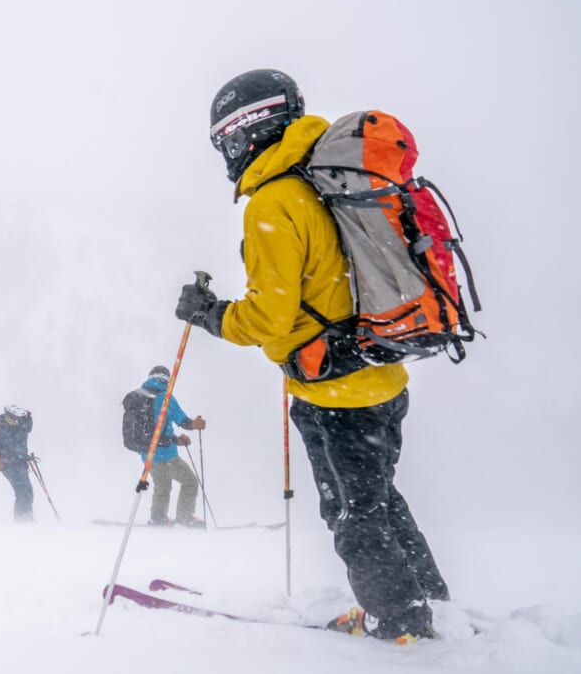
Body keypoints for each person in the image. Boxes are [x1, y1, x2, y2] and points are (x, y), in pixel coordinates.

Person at [174, 69, 448, 642]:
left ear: (248, 131)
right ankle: (426, 600)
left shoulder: (274, 201)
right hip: (380, 372)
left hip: (334, 394)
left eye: (225, 139)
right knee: (378, 498)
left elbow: (268, 317)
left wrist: (209, 314)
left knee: (353, 514)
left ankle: (401, 622)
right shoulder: (323, 181)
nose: (225, 152)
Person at [136, 366, 207, 528]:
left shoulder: (141, 396)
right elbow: (180, 419)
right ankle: (185, 517)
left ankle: (158, 517)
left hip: (148, 455)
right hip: (166, 455)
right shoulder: (164, 397)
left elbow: (156, 429)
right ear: (167, 380)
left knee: (162, 485)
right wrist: (193, 424)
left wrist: (176, 440)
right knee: (190, 482)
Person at [0, 404, 34, 522]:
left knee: (28, 493)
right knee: (22, 495)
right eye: (14, 417)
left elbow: (27, 428)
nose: (16, 420)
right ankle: (21, 521)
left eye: (17, 418)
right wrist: (22, 457)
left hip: (19, 466)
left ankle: (27, 518)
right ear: (8, 417)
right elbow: (13, 449)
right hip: (11, 468)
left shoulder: (16, 427)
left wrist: (28, 417)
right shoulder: (4, 431)